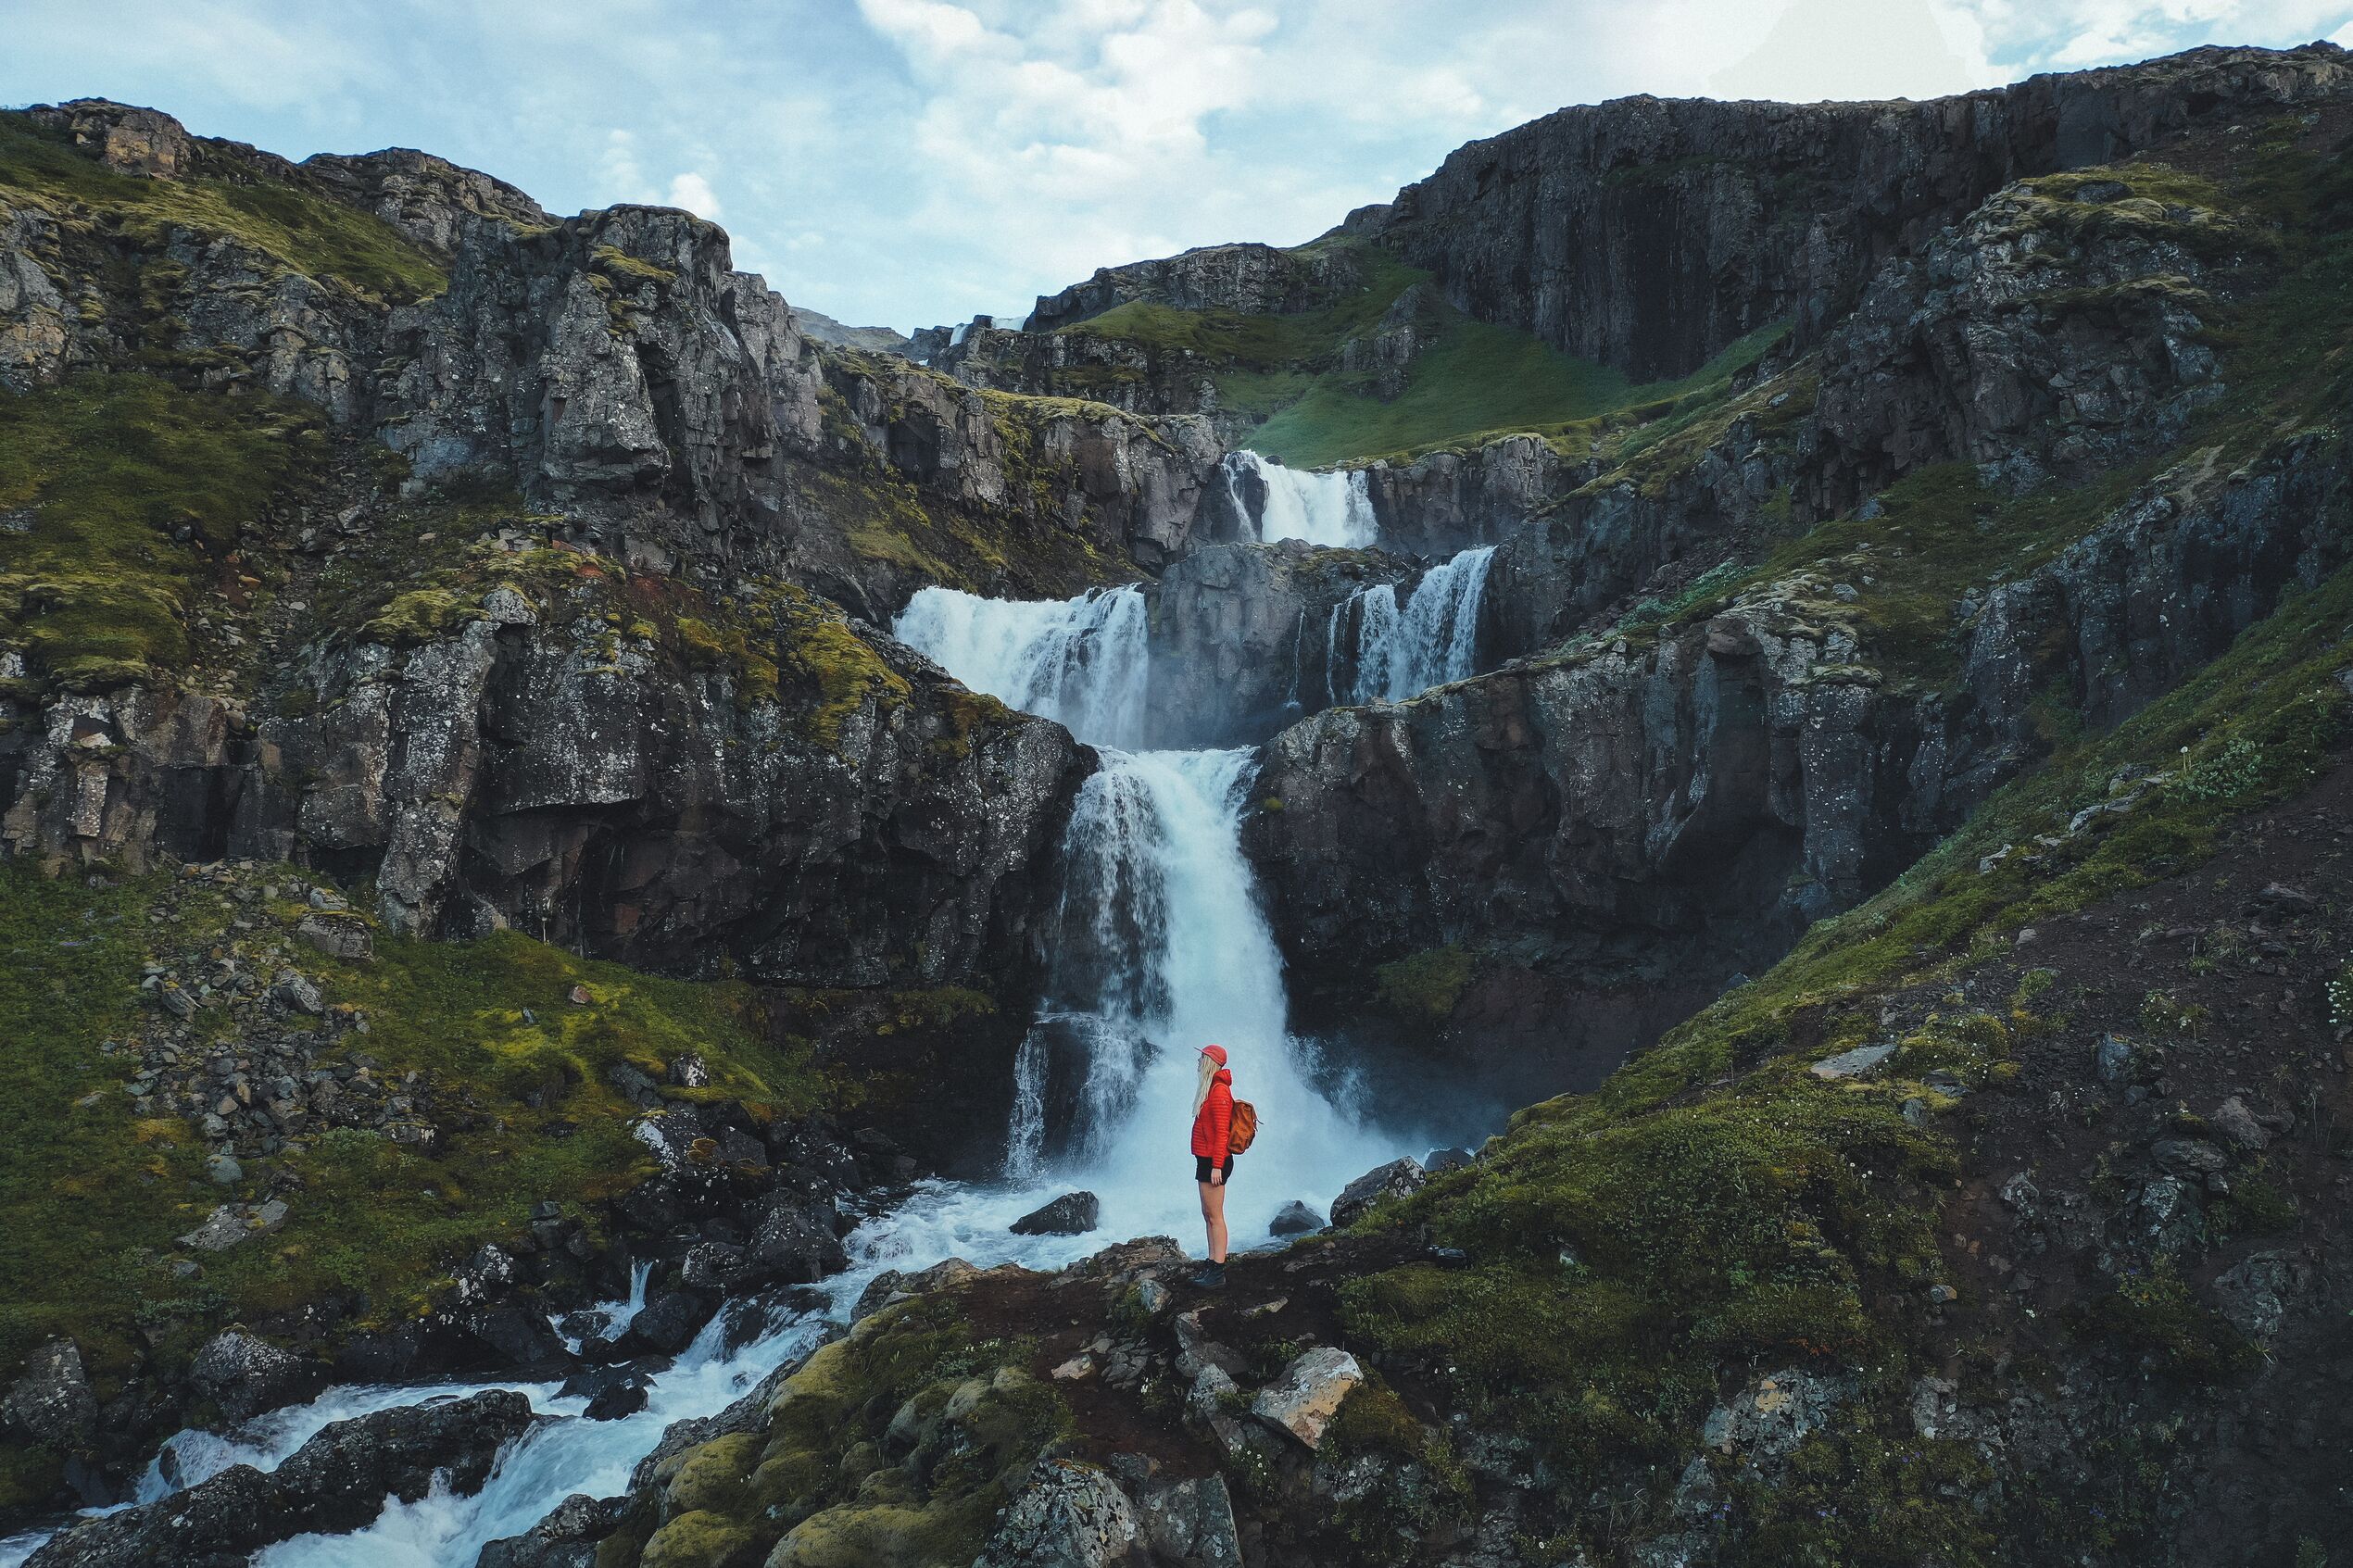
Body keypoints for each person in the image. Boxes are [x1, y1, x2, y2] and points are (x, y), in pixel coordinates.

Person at [1189, 1043, 1234, 1287]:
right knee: (1208, 1215)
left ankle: (1218, 1271)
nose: (1197, 1063)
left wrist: (1217, 1166)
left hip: (1214, 1163)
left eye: (1201, 1058)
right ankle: (1210, 1264)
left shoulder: (1219, 1092)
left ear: (1210, 1062)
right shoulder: (1209, 1090)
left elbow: (1222, 1134)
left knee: (1216, 1216)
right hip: (1205, 1160)